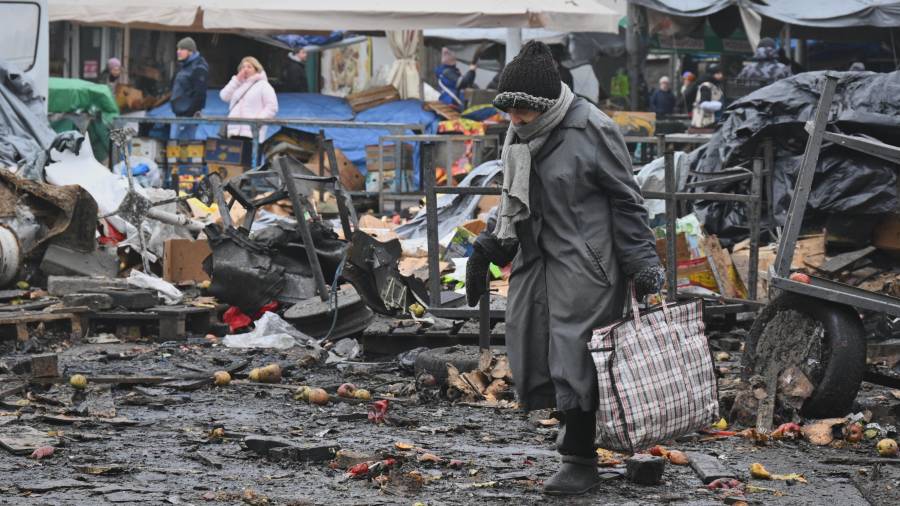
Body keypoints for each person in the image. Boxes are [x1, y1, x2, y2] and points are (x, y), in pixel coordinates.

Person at [465, 41, 663, 496]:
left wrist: (644, 264)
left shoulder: (593, 129)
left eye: (522, 111)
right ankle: (573, 427)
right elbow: (514, 202)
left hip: (585, 262)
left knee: (576, 355)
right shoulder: (520, 133)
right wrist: (488, 249)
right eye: (508, 111)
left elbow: (627, 202)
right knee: (530, 342)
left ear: (547, 103)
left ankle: (580, 458)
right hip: (536, 258)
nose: (513, 120)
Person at [219, 57, 278, 142]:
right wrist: (236, 80)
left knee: (249, 155)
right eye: (243, 67)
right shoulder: (238, 84)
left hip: (251, 133)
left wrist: (257, 122)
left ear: (256, 69)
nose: (245, 69)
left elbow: (272, 107)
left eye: (249, 67)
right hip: (233, 131)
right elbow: (224, 96)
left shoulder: (264, 85)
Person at [171, 37, 209, 118]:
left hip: (188, 117)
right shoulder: (183, 66)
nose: (178, 52)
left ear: (190, 51)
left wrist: (191, 113)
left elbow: (200, 94)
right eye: (178, 49)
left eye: (182, 49)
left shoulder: (199, 67)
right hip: (179, 114)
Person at [691, 64, 725, 129]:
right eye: (718, 73)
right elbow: (703, 104)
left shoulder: (715, 86)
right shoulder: (706, 86)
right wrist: (720, 105)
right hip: (706, 122)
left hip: (714, 121)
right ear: (712, 74)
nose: (721, 75)